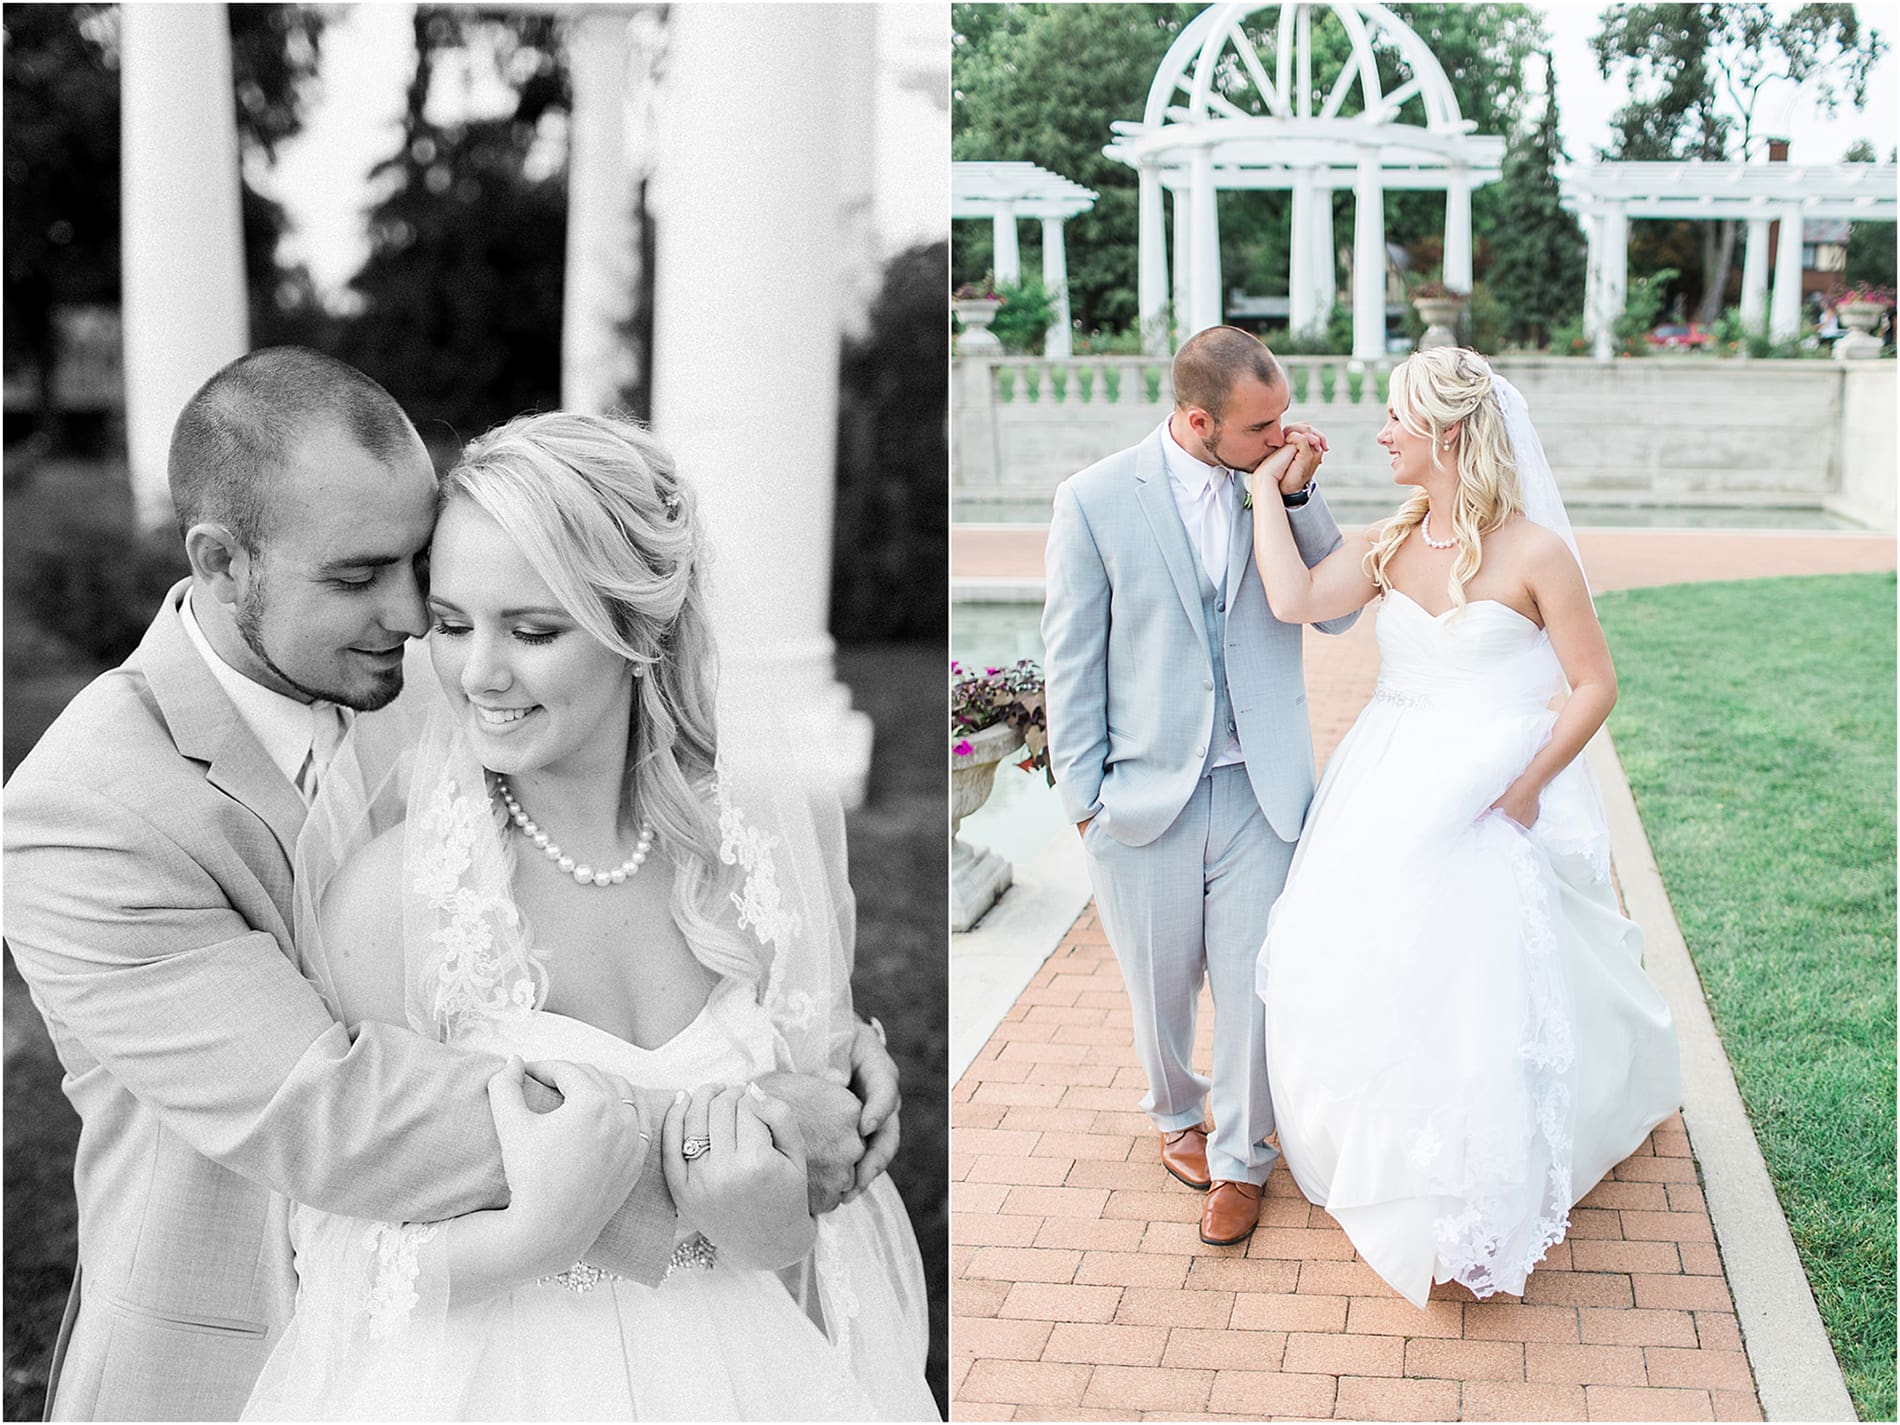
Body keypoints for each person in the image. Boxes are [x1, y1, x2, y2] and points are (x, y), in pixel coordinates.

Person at [2, 348, 903, 1420]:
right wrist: (747, 1128)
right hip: (238, 1349)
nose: (411, 615)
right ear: (221, 560)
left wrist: (813, 1039)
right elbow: (334, 1114)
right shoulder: (84, 814)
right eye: (356, 576)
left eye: (418, 566)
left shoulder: (426, 682)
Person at [239, 409, 936, 1419]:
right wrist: (540, 1234)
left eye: (532, 630)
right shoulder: (399, 900)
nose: (479, 674)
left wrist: (769, 1215)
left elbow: (810, 1217)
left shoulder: (753, 868)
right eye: (451, 622)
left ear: (639, 633)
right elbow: (338, 1259)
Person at [1246, 345, 1681, 1307]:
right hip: (1386, 783)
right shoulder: (1391, 538)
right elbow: (1295, 600)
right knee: (1372, 961)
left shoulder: (1534, 552)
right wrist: (1263, 499)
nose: (1381, 433)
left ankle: (1472, 1178)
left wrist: (1528, 786)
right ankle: (1390, 1151)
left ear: (1445, 434)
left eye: (1396, 418)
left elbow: (1594, 684)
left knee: (1479, 980)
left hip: (1489, 790)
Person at [1041, 326, 1357, 1247]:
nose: (1284, 435)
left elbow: (1335, 617)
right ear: (1197, 420)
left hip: (1263, 789)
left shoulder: (1280, 483)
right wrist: (1084, 801)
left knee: (1254, 981)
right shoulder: (1095, 500)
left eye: (1284, 415)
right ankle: (1174, 1112)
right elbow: (1073, 658)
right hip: (1143, 794)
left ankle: (1240, 1157)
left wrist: (1298, 498)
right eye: (1263, 427)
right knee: (1160, 985)